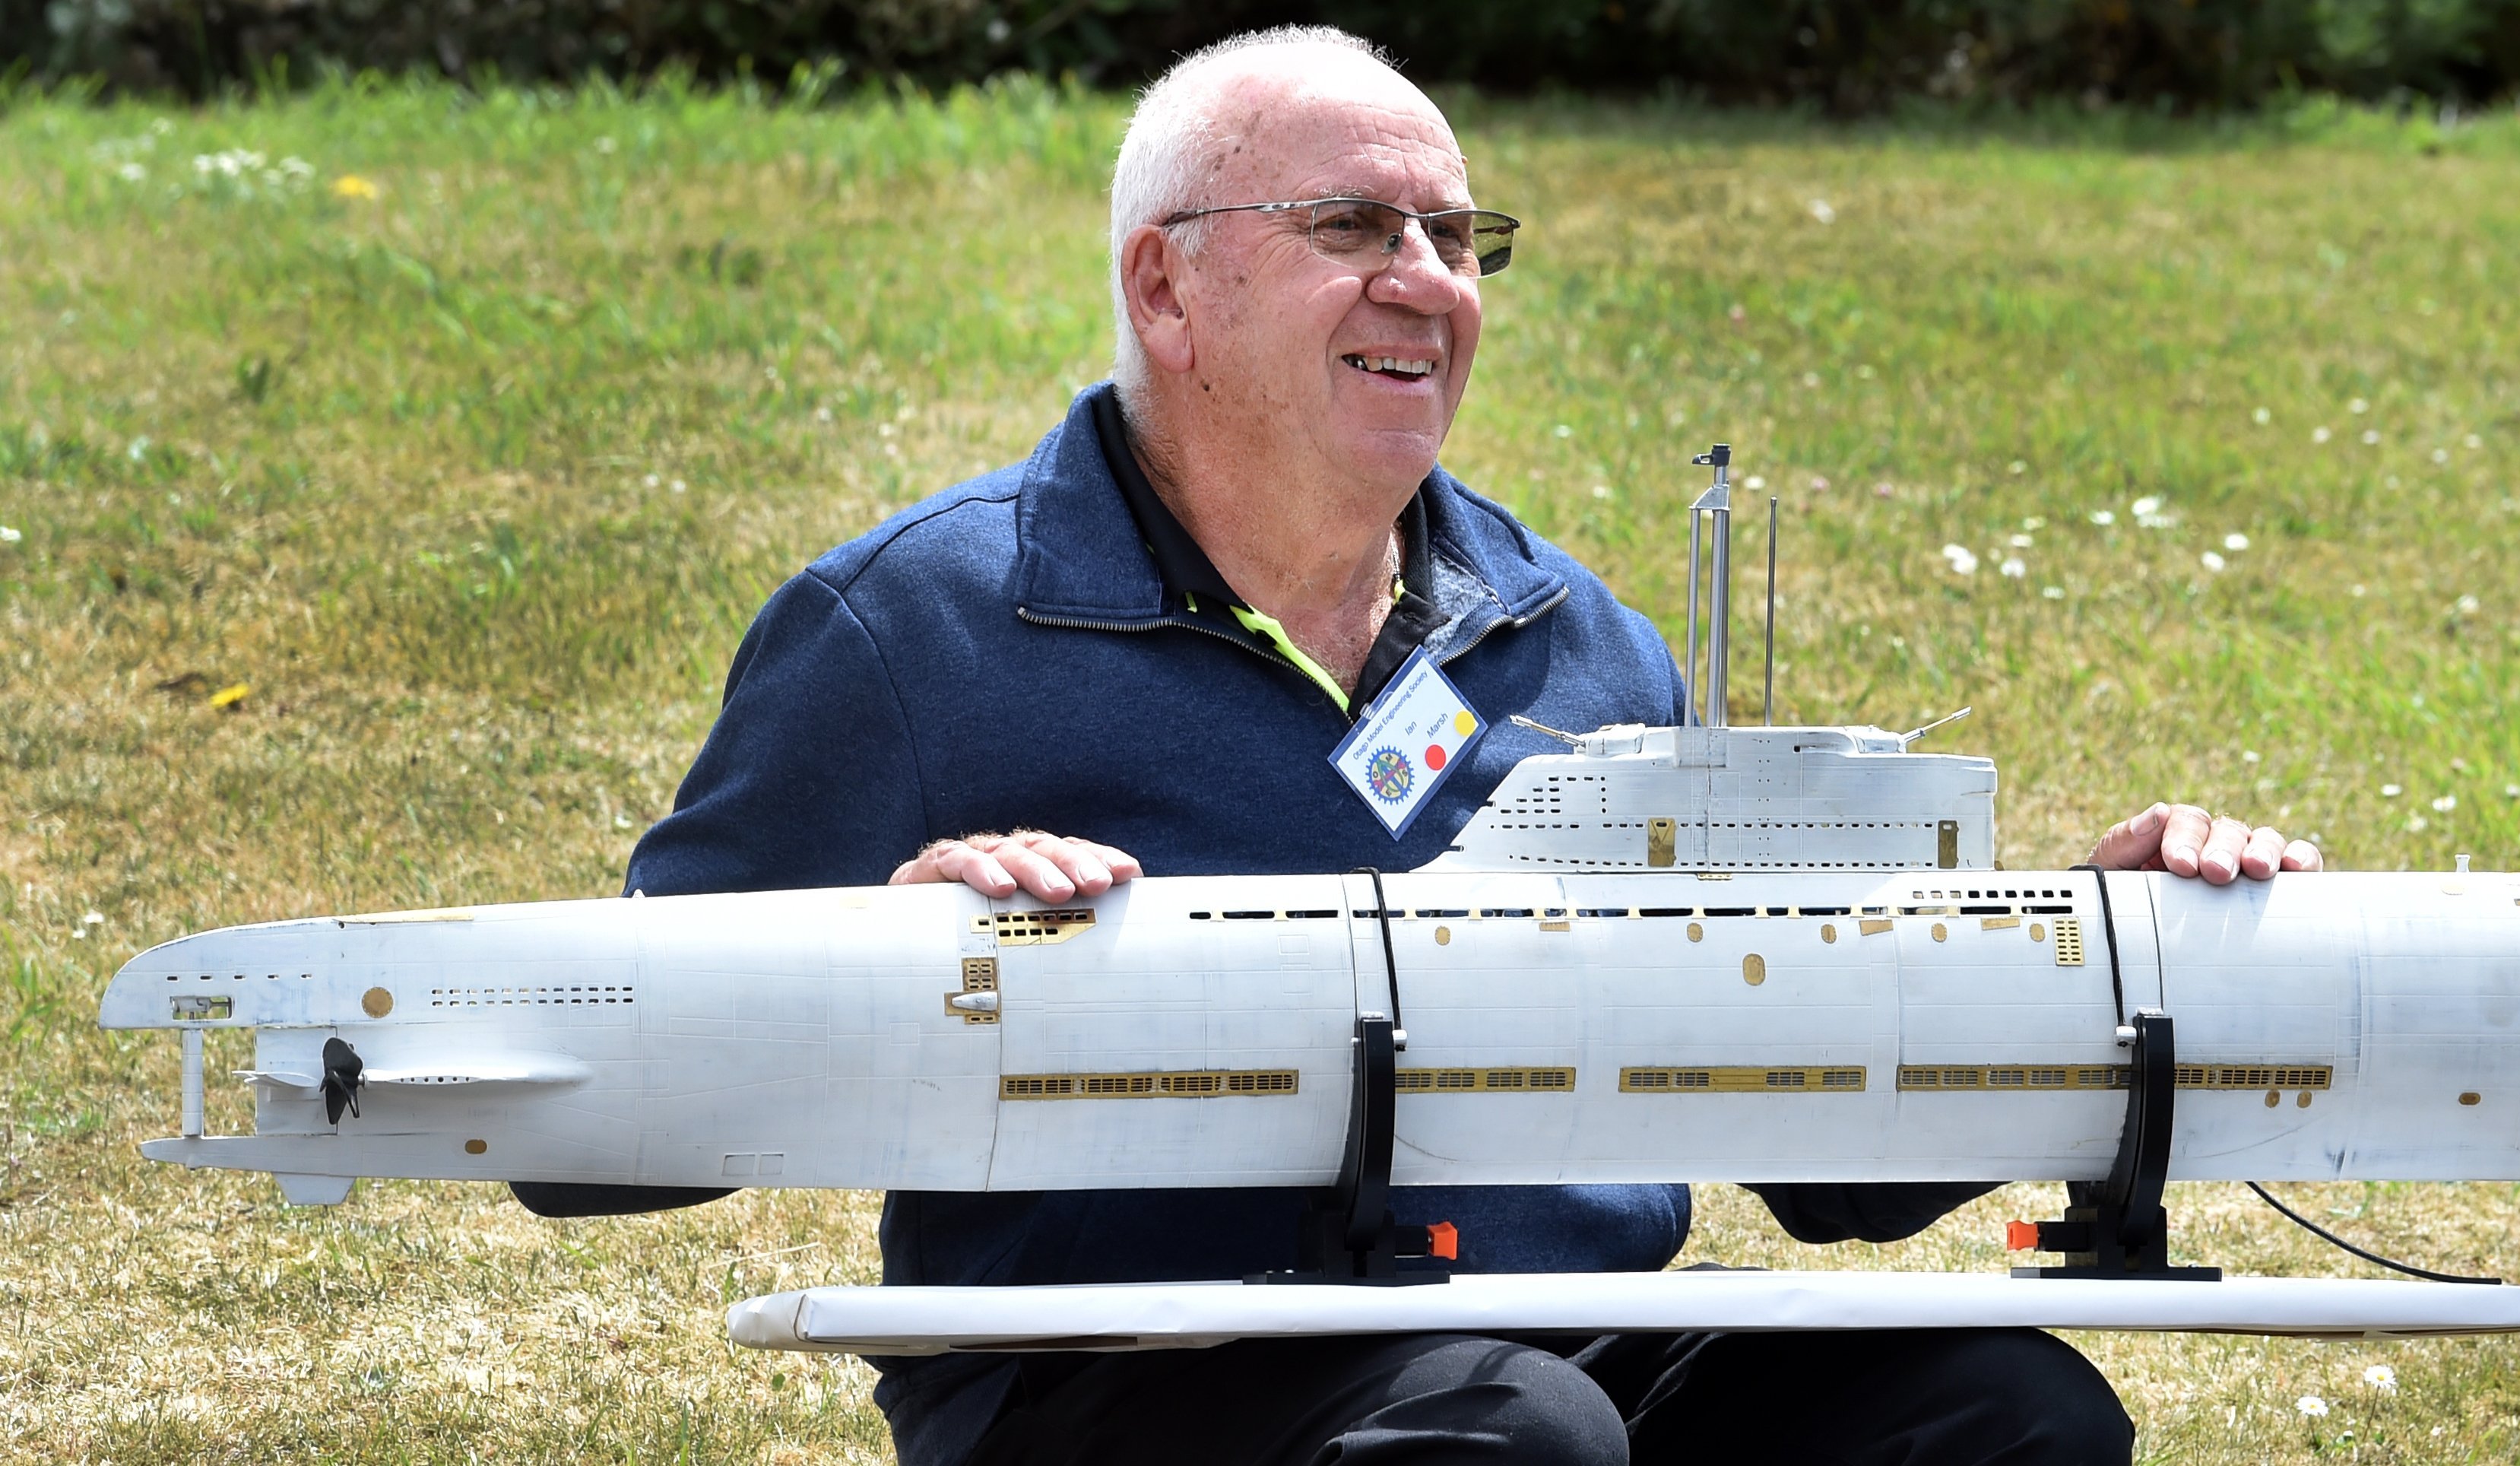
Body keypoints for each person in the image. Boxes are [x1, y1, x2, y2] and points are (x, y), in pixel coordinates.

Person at [558, 26, 2321, 1464]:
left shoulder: (1578, 641)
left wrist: (2089, 940)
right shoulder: (913, 630)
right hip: (1129, 1376)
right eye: (1353, 227)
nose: (1429, 281)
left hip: (1572, 1341)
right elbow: (590, 1131)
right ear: (1165, 291)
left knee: (2003, 1412)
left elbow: (1823, 1159)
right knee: (1508, 1439)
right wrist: (885, 955)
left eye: (1457, 239)